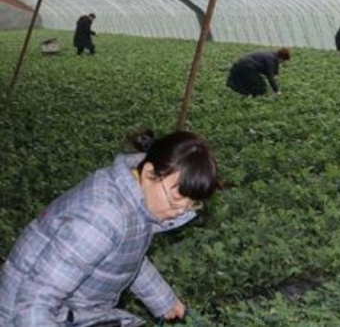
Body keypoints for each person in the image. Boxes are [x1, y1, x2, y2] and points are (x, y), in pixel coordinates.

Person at [0, 129, 219, 326]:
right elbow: (34, 303)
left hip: (73, 310)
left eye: (191, 205)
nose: (180, 211)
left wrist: (163, 299)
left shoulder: (135, 203)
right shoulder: (102, 217)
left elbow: (126, 255)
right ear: (148, 173)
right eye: (175, 199)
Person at [226, 47, 291, 97]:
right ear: (281, 58)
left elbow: (273, 70)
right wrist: (277, 91)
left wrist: (275, 75)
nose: (282, 63)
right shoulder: (271, 59)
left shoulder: (272, 55)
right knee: (260, 87)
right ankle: (248, 95)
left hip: (241, 63)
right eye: (283, 61)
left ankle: (240, 90)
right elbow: (270, 76)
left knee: (256, 81)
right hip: (246, 67)